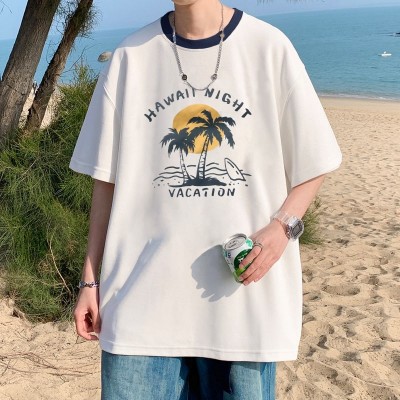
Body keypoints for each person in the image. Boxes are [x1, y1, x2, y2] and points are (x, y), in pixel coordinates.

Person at [70, 0, 342, 398]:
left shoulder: (269, 47)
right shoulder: (130, 57)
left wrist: (283, 227)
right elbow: (105, 181)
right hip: (140, 307)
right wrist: (89, 280)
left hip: (242, 308)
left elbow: (316, 158)